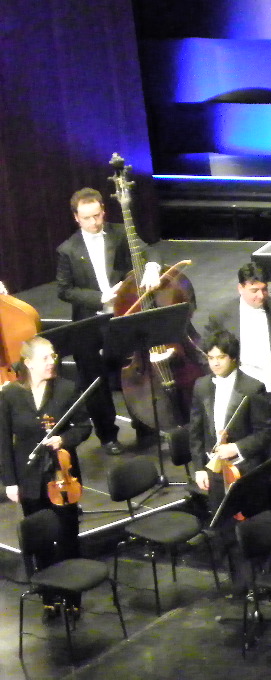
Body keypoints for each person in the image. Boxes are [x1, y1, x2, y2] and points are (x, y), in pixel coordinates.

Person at [55, 186, 161, 453]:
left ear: (103, 211)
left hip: (123, 315)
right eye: (87, 218)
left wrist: (152, 267)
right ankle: (108, 436)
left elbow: (149, 251)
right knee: (96, 383)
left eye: (97, 215)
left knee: (134, 374)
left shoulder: (119, 233)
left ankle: (145, 427)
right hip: (91, 321)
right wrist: (101, 297)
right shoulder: (67, 249)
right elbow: (64, 290)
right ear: (76, 218)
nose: (94, 222)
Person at [0, 337, 92, 608]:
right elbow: (3, 441)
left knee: (67, 536)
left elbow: (84, 426)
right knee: (40, 539)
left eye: (53, 356)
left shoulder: (66, 389)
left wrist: (63, 440)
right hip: (28, 476)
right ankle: (49, 596)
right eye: (45, 358)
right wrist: (9, 481)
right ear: (28, 363)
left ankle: (72, 596)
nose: (52, 362)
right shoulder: (10, 395)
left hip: (62, 476)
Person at [188, 332, 271, 521]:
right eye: (211, 358)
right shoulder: (201, 386)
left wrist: (236, 447)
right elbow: (195, 432)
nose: (215, 363)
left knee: (252, 522)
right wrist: (199, 468)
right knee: (222, 524)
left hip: (245, 469)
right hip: (215, 470)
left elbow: (266, 432)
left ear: (233, 357)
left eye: (221, 357)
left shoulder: (253, 388)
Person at [202, 263, 271, 407]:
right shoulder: (221, 316)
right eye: (254, 290)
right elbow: (208, 351)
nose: (261, 296)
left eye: (264, 289)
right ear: (240, 288)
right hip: (242, 395)